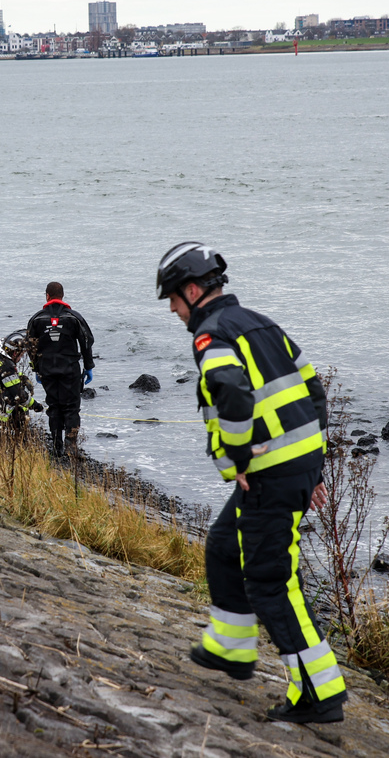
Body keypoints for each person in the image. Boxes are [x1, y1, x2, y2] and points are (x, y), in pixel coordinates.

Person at [156, 241, 347, 725]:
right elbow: (315, 391)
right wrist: (315, 467)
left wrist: (239, 457)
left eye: (174, 300)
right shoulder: (260, 322)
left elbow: (234, 395)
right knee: (224, 544)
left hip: (267, 475)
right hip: (294, 468)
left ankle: (319, 696)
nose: (174, 311)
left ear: (194, 291)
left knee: (272, 585)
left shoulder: (210, 334)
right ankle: (232, 647)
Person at [26, 281, 95, 459]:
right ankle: (71, 446)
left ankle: (56, 447)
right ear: (62, 296)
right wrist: (88, 366)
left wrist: (36, 368)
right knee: (72, 407)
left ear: (47, 296)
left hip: (47, 369)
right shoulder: (74, 317)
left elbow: (30, 346)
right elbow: (87, 342)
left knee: (54, 406)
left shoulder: (37, 318)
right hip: (70, 369)